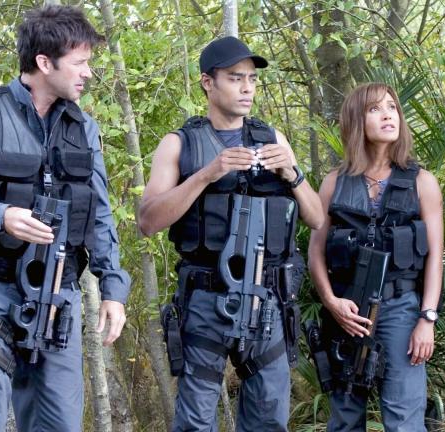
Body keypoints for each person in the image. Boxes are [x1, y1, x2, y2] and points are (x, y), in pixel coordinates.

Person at [0, 5, 130, 431]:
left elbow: (98, 214)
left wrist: (113, 288)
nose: (88, 73)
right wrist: (0, 216)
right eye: (80, 62)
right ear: (44, 62)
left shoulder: (84, 128)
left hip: (60, 300)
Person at [138, 36, 324, 431]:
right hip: (206, 299)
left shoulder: (273, 139)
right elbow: (148, 221)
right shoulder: (180, 144)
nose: (247, 88)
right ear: (208, 82)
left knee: (269, 419)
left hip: (268, 299)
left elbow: (317, 218)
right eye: (235, 78)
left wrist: (292, 174)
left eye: (252, 79)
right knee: (195, 421)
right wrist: (207, 174)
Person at [307, 82, 444, 431]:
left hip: (401, 310)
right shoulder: (334, 182)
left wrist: (427, 319)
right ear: (357, 120)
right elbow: (315, 252)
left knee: (404, 420)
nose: (388, 115)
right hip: (348, 312)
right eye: (375, 109)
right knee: (345, 418)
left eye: (392, 107)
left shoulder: (422, 182)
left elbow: (435, 258)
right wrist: (332, 303)